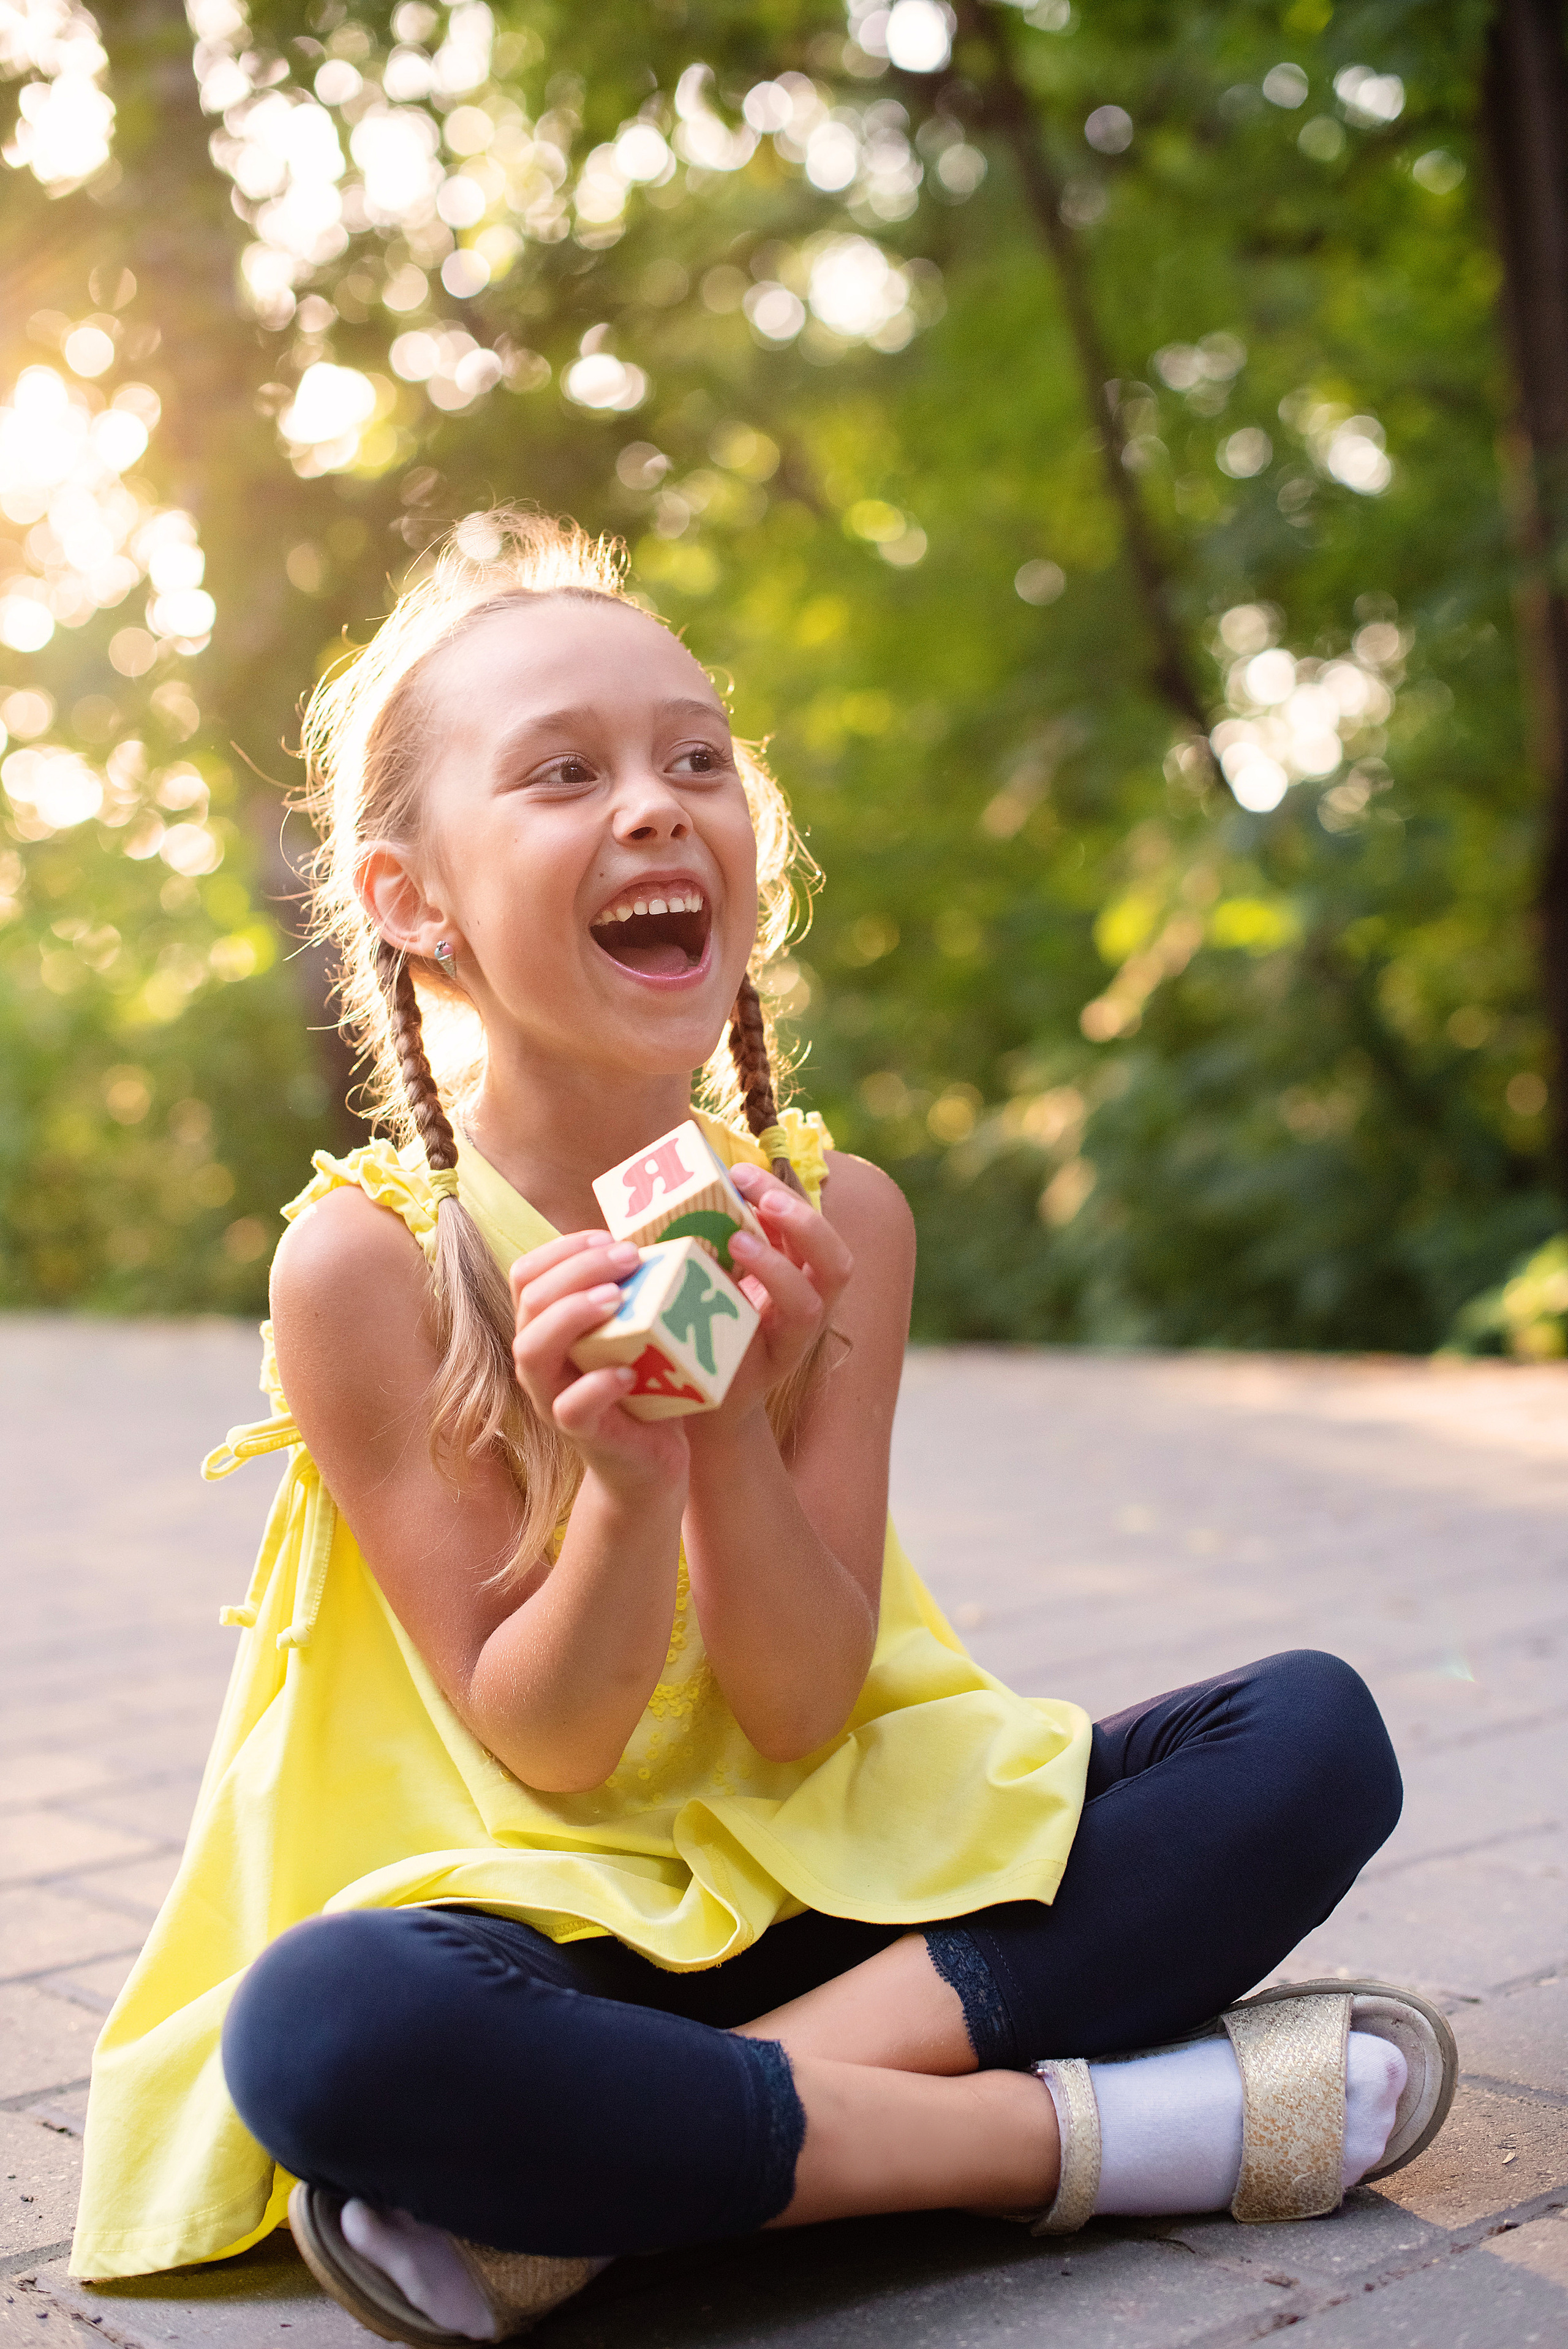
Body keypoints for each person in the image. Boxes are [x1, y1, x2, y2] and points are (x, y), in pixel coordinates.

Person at [72, 515, 1455, 2341]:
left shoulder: (837, 1217)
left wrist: (727, 1432)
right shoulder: (365, 1266)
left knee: (1311, 1739)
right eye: (565, 771)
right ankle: (1094, 2138)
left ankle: (616, 2196)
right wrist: (624, 1483)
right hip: (543, 1935)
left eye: (696, 758)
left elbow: (805, 1704)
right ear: (414, 899)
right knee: (326, 2027)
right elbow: (551, 1746)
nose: (656, 804)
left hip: (854, 1898)